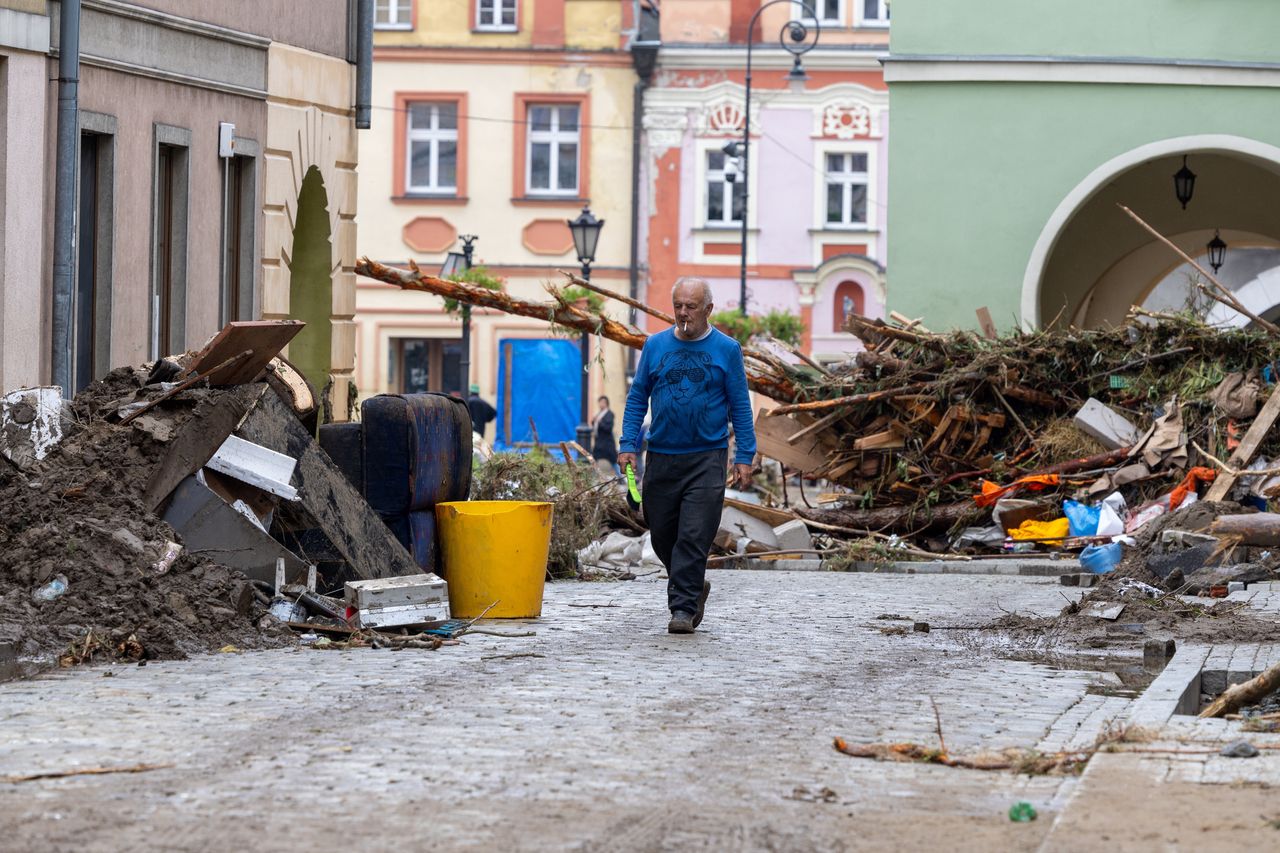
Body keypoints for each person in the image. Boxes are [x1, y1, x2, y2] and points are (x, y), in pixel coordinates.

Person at [617, 278, 755, 635]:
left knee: (693, 535)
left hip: (707, 457)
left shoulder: (726, 349)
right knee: (662, 534)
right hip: (662, 456)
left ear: (708, 309)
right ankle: (693, 583)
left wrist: (745, 455)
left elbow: (740, 405)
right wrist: (627, 444)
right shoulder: (655, 346)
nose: (682, 313)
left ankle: (682, 606)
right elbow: (637, 399)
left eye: (691, 306)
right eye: (678, 305)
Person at [591, 395, 618, 470]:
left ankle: (623, 478)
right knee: (594, 460)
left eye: (603, 402)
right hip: (599, 442)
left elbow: (608, 428)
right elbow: (595, 425)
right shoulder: (599, 413)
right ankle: (593, 479)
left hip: (607, 444)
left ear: (606, 403)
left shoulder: (609, 414)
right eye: (600, 402)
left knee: (614, 462)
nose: (601, 404)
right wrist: (594, 421)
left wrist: (599, 421)